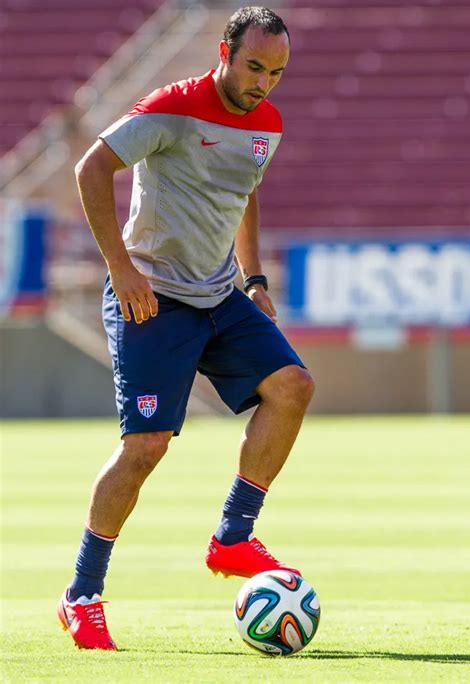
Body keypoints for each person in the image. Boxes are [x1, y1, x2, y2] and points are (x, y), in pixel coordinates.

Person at [57, 6, 315, 651]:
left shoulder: (267, 123)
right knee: (146, 447)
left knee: (293, 386)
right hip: (153, 297)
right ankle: (81, 595)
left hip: (220, 293)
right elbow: (92, 168)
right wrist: (121, 269)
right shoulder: (172, 107)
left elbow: (245, 189)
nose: (263, 82)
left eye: (276, 72)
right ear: (224, 52)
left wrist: (254, 280)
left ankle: (232, 537)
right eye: (254, 66)